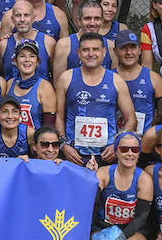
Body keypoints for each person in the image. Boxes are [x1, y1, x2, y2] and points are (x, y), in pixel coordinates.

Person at [56, 32, 135, 166]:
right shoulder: (66, 78)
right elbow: (58, 115)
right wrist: (64, 144)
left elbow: (131, 119)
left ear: (104, 52)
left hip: (107, 154)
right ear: (79, 52)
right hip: (74, 154)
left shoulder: (117, 81)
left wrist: (117, 144)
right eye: (86, 50)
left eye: (95, 49)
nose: (91, 54)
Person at [89, 131, 153, 240]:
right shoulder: (104, 173)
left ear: (139, 153)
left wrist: (120, 238)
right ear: (116, 151)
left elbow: (141, 217)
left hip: (133, 229)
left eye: (134, 149)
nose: (130, 153)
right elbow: (91, 201)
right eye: (124, 149)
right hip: (106, 227)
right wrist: (89, 177)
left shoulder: (144, 179)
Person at [114, 29, 162, 138]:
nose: (128, 52)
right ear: (115, 51)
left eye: (133, 47)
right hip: (114, 142)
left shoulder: (154, 78)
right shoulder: (109, 78)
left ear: (140, 50)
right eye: (123, 48)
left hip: (145, 142)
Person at [51, 1, 117, 81]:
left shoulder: (110, 46)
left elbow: (114, 82)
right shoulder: (65, 45)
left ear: (102, 20)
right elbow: (58, 83)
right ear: (79, 20)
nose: (92, 23)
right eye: (87, 18)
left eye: (97, 18)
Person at [6, 41, 57, 132]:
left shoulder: (45, 87)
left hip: (34, 143)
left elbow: (49, 128)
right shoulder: (9, 84)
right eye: (22, 56)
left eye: (32, 56)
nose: (27, 60)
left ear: (37, 61)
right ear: (15, 60)